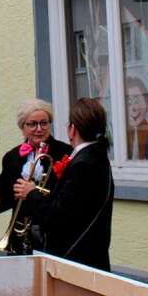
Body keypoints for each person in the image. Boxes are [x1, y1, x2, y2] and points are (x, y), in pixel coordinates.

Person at [21, 97, 114, 271]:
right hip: (87, 258)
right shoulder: (95, 157)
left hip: (75, 261)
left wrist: (32, 193)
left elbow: (57, 217)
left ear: (72, 130)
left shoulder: (83, 164)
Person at [0, 99, 71, 254]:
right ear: (22, 127)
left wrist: (33, 191)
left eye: (44, 123)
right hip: (20, 238)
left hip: (52, 237)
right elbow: (5, 200)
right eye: (32, 124)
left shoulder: (65, 153)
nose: (39, 129)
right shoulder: (12, 157)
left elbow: (66, 200)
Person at [124, 77, 148, 160]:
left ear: (146, 103)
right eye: (129, 103)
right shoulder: (122, 133)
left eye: (137, 101)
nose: (134, 108)